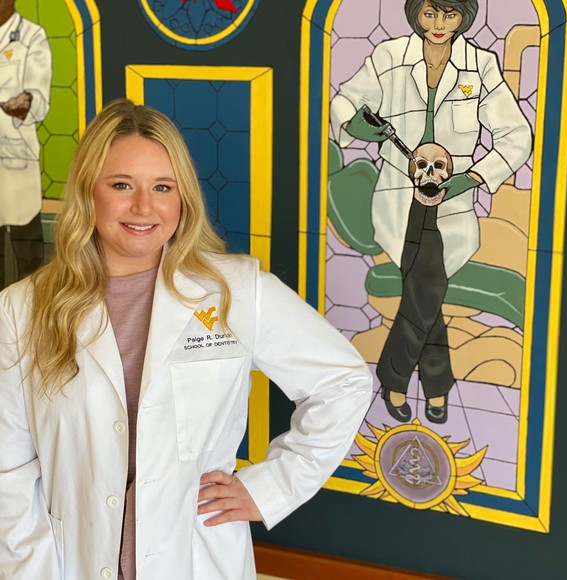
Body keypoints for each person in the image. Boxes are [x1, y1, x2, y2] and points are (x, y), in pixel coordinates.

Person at [0, 99, 373, 579]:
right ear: (88, 192)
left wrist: (272, 487)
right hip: (68, 561)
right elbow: (8, 469)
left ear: (183, 197)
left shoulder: (237, 291)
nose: (144, 207)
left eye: (162, 187)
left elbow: (344, 381)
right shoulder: (22, 309)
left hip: (195, 560)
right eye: (121, 185)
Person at [330, 0, 532, 423]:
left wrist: (473, 178)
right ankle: (435, 388)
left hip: (452, 205)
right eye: (429, 13)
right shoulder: (389, 56)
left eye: (449, 15)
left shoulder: (480, 66)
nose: (438, 24)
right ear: (415, 13)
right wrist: (354, 125)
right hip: (398, 201)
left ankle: (396, 379)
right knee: (427, 294)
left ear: (464, 17)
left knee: (423, 294)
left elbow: (517, 135)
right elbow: (345, 101)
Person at [0, 0, 52, 288]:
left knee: (28, 256)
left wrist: (26, 103)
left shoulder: (32, 36)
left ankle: (34, 310)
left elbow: (40, 99)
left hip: (16, 157)